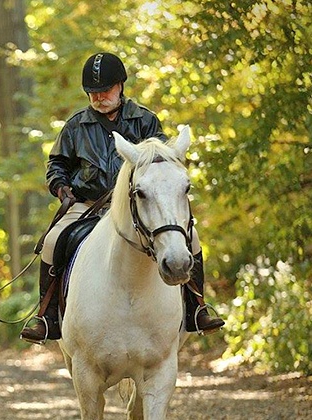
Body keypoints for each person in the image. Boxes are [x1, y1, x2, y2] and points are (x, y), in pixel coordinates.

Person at [20, 52, 225, 343]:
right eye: (92, 92)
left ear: (120, 86)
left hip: (140, 206)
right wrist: (61, 187)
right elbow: (57, 165)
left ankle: (197, 308)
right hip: (88, 205)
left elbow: (163, 163)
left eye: (105, 90)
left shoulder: (145, 120)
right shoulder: (75, 126)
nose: (99, 97)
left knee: (191, 239)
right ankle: (47, 316)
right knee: (54, 240)